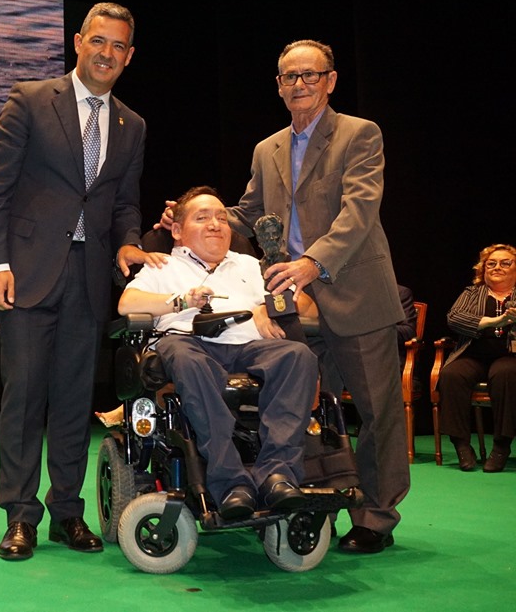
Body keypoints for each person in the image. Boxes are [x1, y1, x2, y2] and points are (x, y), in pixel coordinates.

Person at [0, 2, 159, 561]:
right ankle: (20, 515)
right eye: (98, 41)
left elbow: (124, 203)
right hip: (28, 274)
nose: (107, 53)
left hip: (88, 278)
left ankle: (66, 514)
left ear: (130, 56)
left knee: (75, 400)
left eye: (118, 46)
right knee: (25, 397)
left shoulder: (132, 125)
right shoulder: (31, 100)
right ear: (79, 42)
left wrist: (129, 240)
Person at [223, 39, 409, 554]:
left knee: (376, 413)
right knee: (301, 412)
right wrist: (199, 216)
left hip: (355, 294)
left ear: (330, 81)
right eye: (290, 76)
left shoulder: (359, 134)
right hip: (294, 306)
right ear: (279, 85)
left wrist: (312, 263)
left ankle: (375, 517)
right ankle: (313, 503)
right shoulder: (267, 149)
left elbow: (359, 211)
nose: (300, 84)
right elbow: (246, 214)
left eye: (310, 74)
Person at [118, 187, 318, 519]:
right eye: (202, 217)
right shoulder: (163, 265)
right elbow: (127, 304)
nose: (215, 224)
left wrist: (267, 308)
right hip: (189, 342)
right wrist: (181, 301)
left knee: (298, 355)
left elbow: (307, 307)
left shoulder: (250, 264)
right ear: (177, 231)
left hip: (249, 347)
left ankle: (277, 475)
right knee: (185, 356)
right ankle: (230, 482)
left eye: (222, 218)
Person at [436, 244, 516, 472]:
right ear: (483, 269)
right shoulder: (472, 293)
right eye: (491, 263)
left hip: (510, 355)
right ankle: (462, 445)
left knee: (506, 373)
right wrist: (494, 322)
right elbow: (454, 318)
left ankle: (501, 446)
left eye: (505, 263)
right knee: (452, 374)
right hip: (474, 353)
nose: (497, 267)